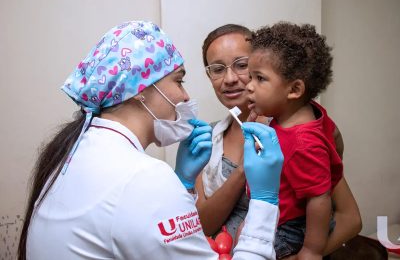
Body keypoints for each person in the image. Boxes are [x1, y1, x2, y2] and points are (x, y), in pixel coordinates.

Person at [17, 20, 285, 260]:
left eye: (242, 65)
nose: (185, 96)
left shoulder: (77, 151)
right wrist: (264, 200)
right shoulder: (143, 178)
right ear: (140, 90)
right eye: (179, 81)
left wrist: (182, 185)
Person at [196, 24, 361, 256]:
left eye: (242, 65)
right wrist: (244, 169)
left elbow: (348, 218)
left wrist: (305, 254)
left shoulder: (297, 134)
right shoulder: (210, 138)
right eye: (217, 68)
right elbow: (202, 225)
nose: (231, 78)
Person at [245, 22, 350, 259]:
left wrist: (311, 250)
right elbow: (336, 138)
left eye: (260, 78)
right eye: (251, 76)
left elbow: (319, 199)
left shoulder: (302, 142)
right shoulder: (304, 112)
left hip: (291, 229)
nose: (249, 86)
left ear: (294, 89)